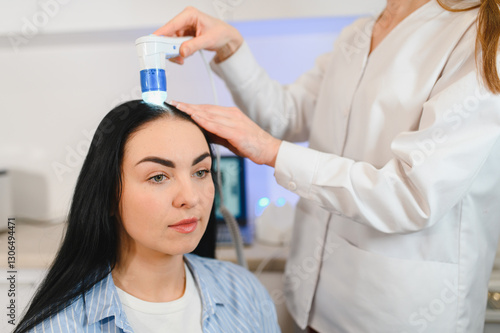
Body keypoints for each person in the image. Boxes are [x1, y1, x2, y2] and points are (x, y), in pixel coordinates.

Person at [154, 0, 500, 332]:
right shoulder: (358, 34)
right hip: (313, 304)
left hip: (396, 313)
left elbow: (413, 194)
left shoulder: (480, 38)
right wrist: (230, 46)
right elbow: (285, 115)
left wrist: (272, 151)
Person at [14, 101, 280, 333]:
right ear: (108, 196)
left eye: (200, 171)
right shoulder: (59, 326)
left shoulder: (244, 292)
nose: (190, 197)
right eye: (158, 177)